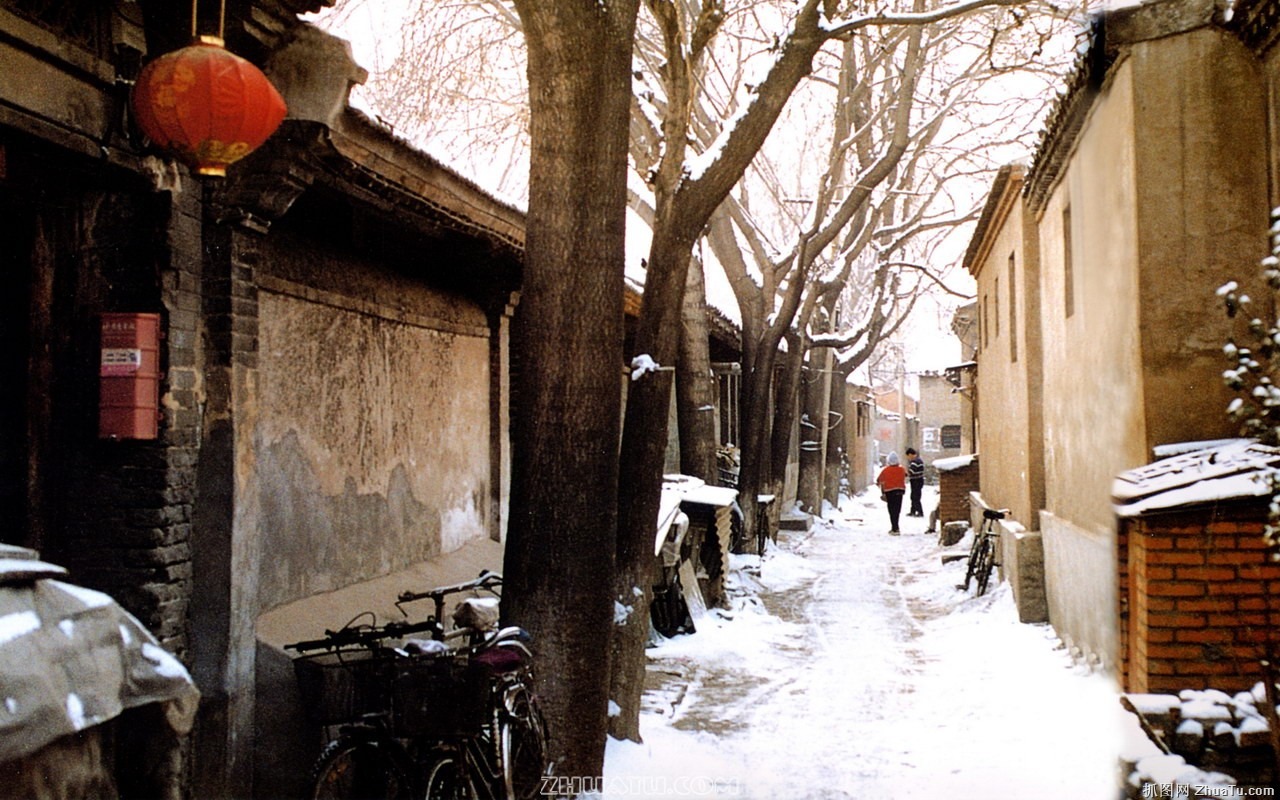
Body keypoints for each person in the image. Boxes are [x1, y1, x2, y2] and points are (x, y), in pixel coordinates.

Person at [876, 452, 907, 535]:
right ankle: (896, 527)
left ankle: (894, 528)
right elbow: (906, 475)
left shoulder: (885, 470)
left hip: (889, 492)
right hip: (900, 491)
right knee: (897, 510)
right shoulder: (902, 469)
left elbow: (879, 481)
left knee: (892, 510)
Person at [906, 447, 926, 517]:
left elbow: (911, 471)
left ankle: (920, 512)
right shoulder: (918, 460)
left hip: (916, 481)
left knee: (915, 497)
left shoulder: (915, 462)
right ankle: (913, 511)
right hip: (918, 481)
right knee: (914, 496)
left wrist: (905, 473)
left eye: (908, 456)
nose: (908, 458)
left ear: (911, 454)